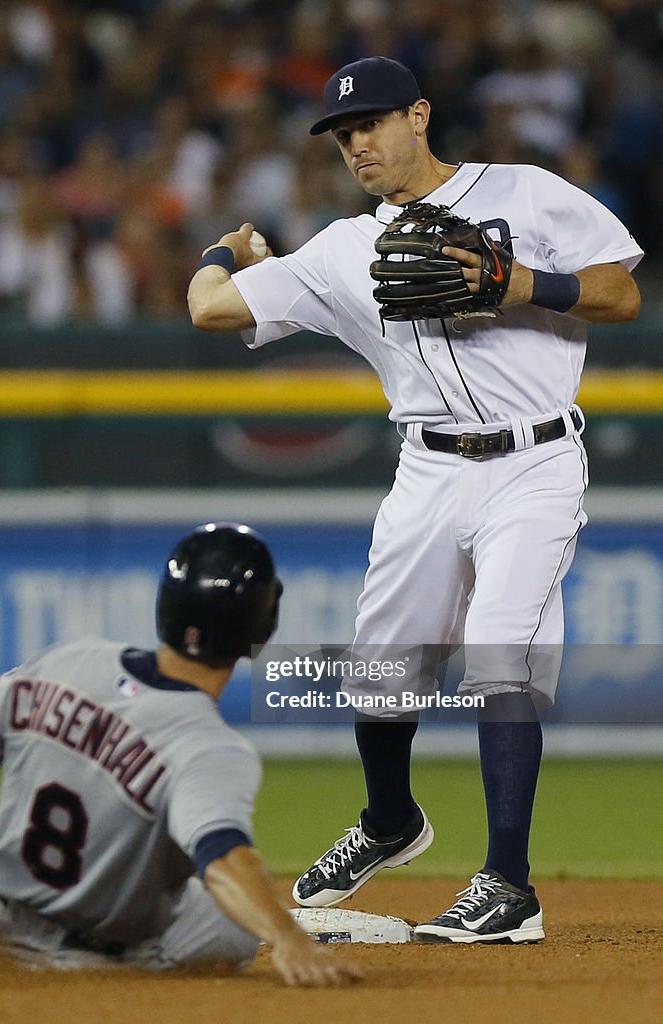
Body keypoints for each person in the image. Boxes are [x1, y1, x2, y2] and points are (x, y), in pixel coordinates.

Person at [186, 57, 642, 944]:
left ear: (420, 116)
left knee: (498, 651)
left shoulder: (525, 191)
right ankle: (389, 821)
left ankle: (507, 886)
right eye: (343, 133)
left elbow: (620, 289)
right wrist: (225, 251)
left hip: (534, 461)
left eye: (373, 123)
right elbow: (209, 310)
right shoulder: (341, 250)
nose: (358, 143)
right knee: (379, 672)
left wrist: (516, 282)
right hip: (426, 471)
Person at [0, 523, 361, 987]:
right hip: (92, 947)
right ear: (261, 627)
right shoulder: (210, 747)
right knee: (231, 924)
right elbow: (225, 859)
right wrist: (288, 937)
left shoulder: (70, 660)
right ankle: (95, 968)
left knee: (211, 909)